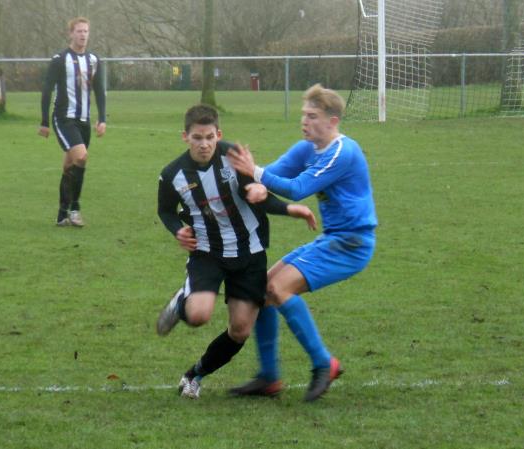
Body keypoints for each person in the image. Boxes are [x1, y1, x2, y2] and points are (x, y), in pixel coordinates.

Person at [227, 84, 377, 402]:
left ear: (333, 121)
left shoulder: (342, 152)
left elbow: (296, 188)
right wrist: (247, 179)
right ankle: (269, 377)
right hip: (333, 239)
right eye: (303, 115)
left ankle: (325, 363)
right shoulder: (306, 149)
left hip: (352, 243)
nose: (304, 122)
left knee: (279, 290)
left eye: (312, 116)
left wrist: (255, 173)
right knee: (264, 291)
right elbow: (271, 175)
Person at [156, 104, 316, 399]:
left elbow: (259, 196)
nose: (203, 144)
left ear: (219, 134)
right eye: (196, 138)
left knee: (240, 330)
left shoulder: (234, 159)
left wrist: (288, 207)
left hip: (249, 252)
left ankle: (195, 374)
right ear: (185, 137)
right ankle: (182, 304)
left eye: (208, 137)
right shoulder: (172, 175)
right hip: (207, 253)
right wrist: (176, 230)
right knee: (199, 315)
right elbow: (165, 210)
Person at [39, 17, 106, 227]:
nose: (83, 35)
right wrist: (44, 122)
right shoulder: (60, 59)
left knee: (70, 166)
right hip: (63, 118)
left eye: (86, 31)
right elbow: (47, 90)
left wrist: (102, 118)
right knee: (82, 157)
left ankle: (61, 214)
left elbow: (99, 91)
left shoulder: (94, 59)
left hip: (84, 121)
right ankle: (75, 209)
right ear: (71, 33)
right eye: (79, 31)